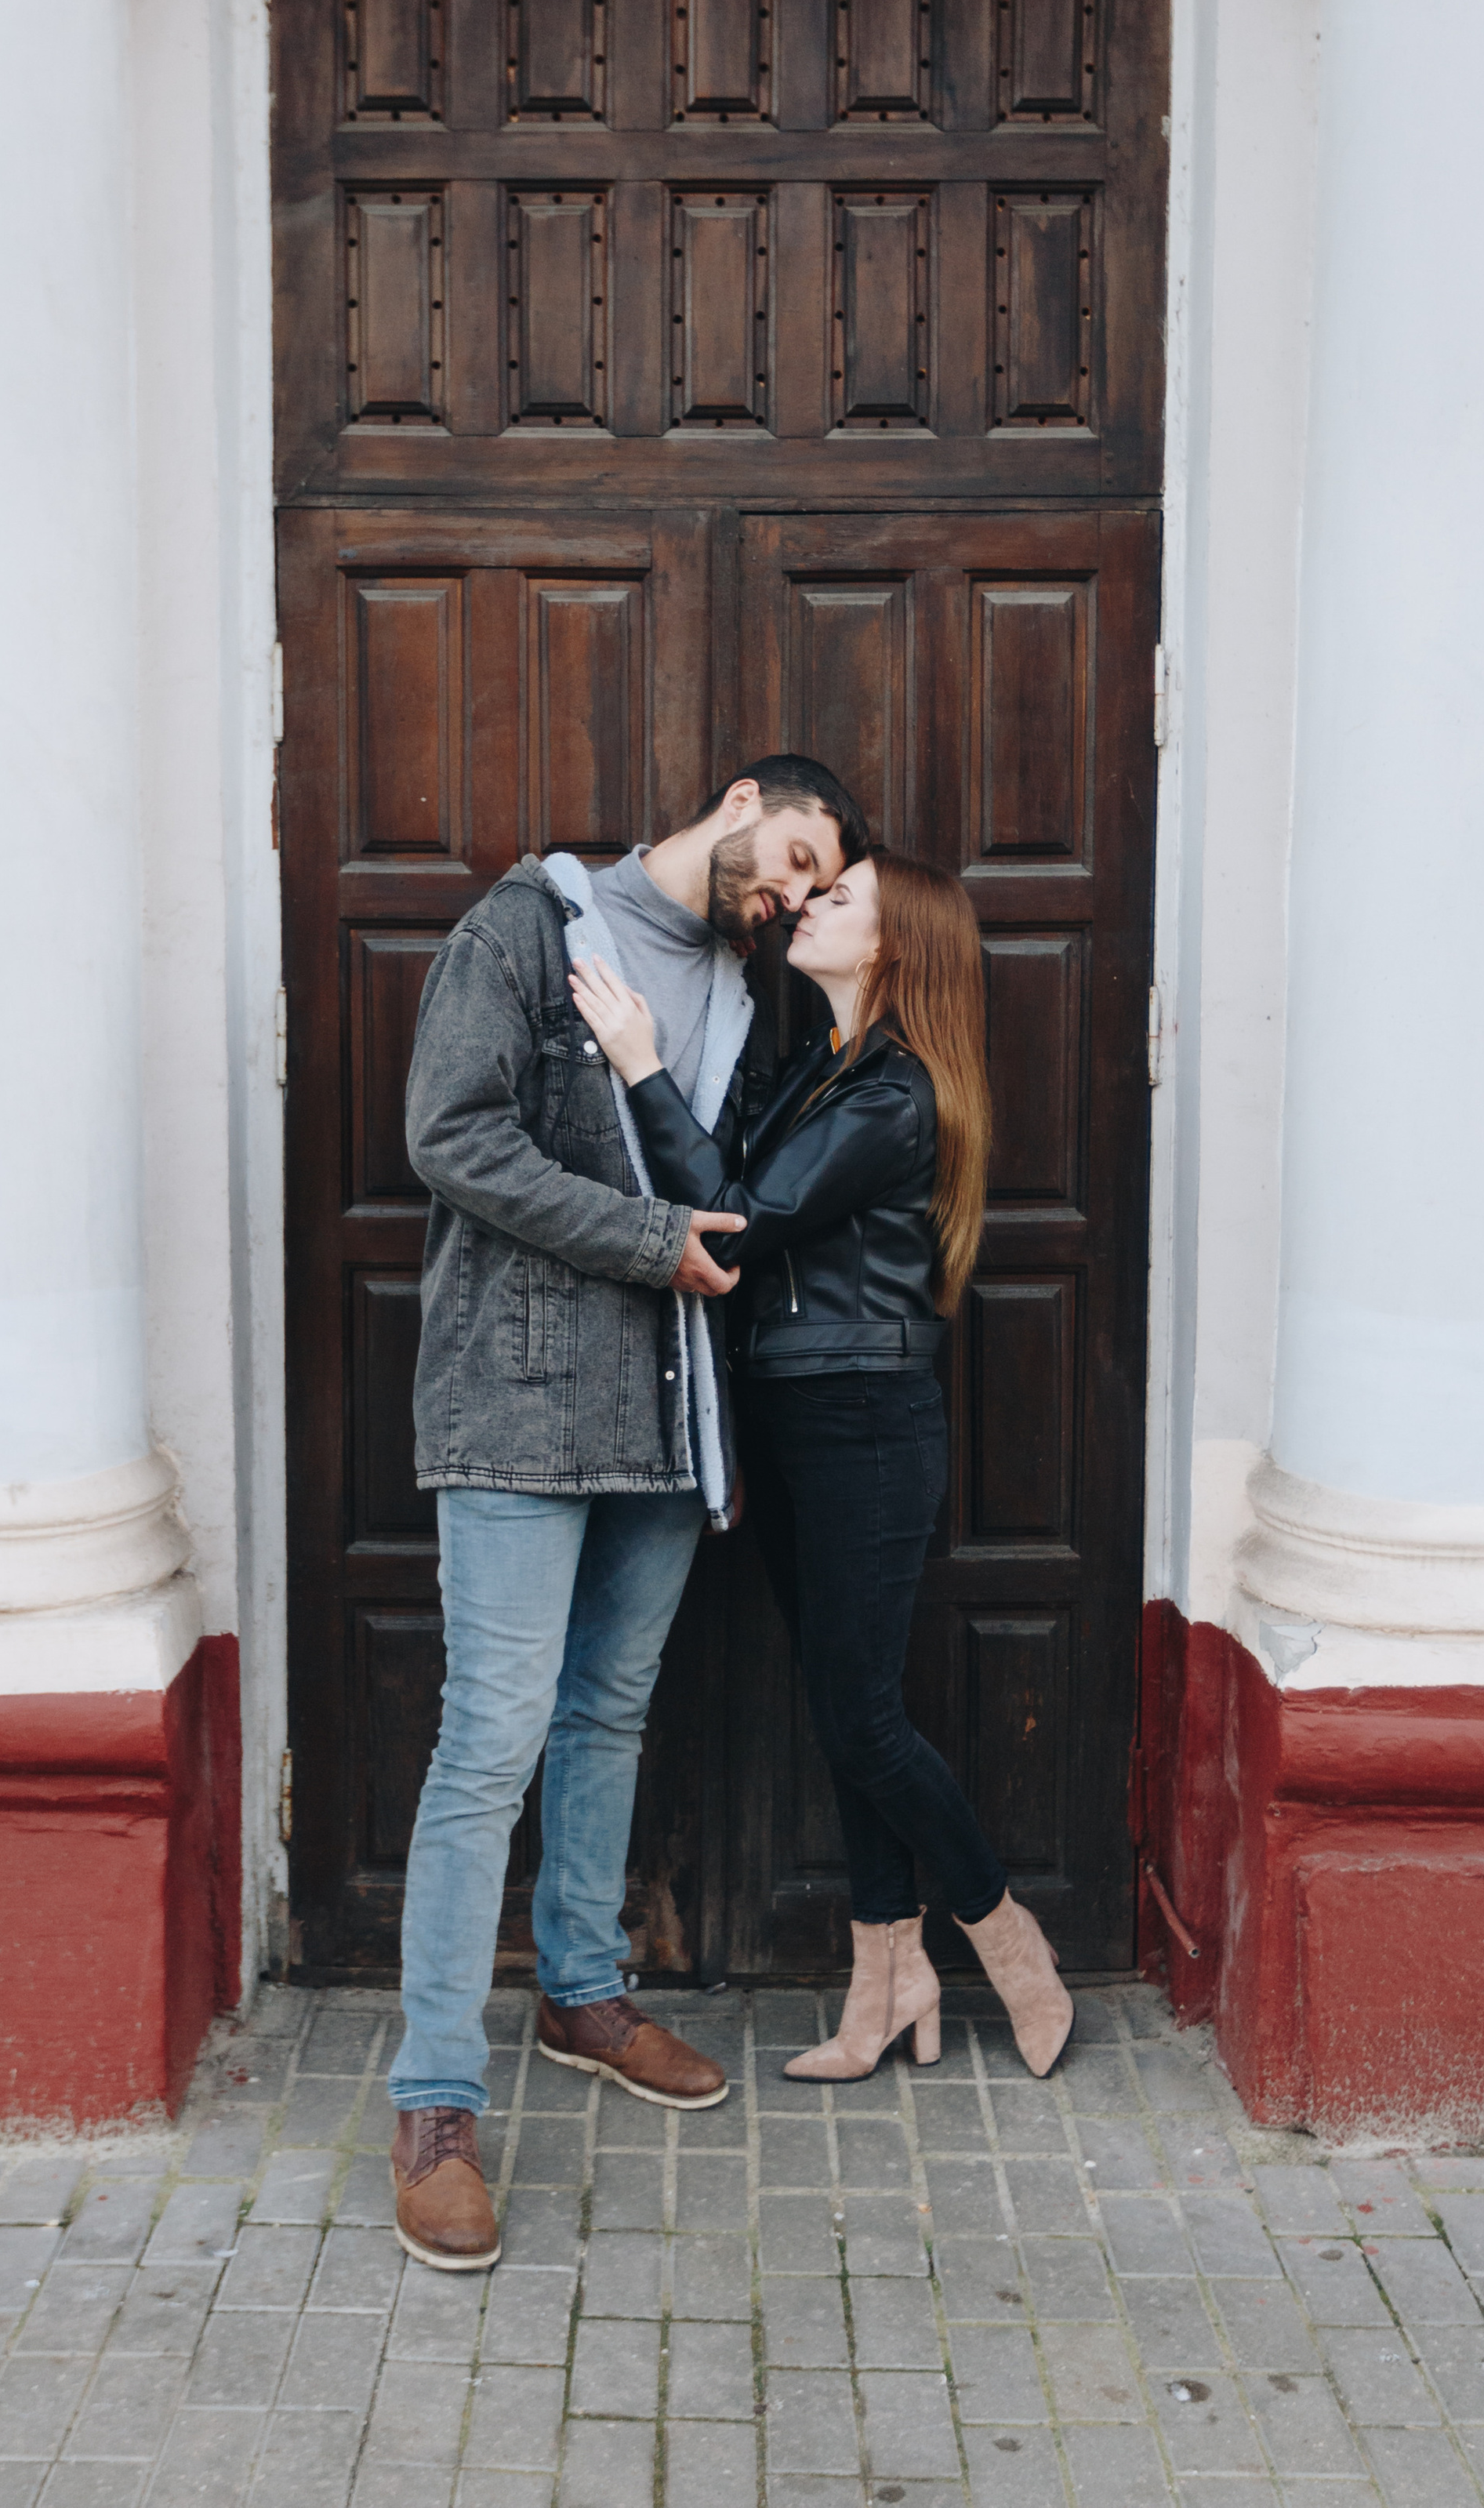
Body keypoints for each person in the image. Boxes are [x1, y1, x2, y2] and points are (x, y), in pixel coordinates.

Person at [387, 756, 869, 2271]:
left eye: (810, 887)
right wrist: (653, 1240)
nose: (790, 896)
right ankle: (434, 2100)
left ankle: (582, 1992)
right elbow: (454, 1138)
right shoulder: (529, 929)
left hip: (671, 1412)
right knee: (490, 1743)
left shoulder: (749, 989)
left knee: (607, 1716)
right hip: (520, 1399)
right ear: (737, 803)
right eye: (790, 853)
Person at [570, 848, 1076, 2085]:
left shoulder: (893, 1096)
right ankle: (885, 1986)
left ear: (894, 947)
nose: (809, 904)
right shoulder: (818, 1068)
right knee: (849, 1715)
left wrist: (639, 1065)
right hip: (794, 1421)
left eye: (838, 898)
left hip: (865, 1425)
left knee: (861, 1712)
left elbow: (734, 1215)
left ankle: (1002, 1929)